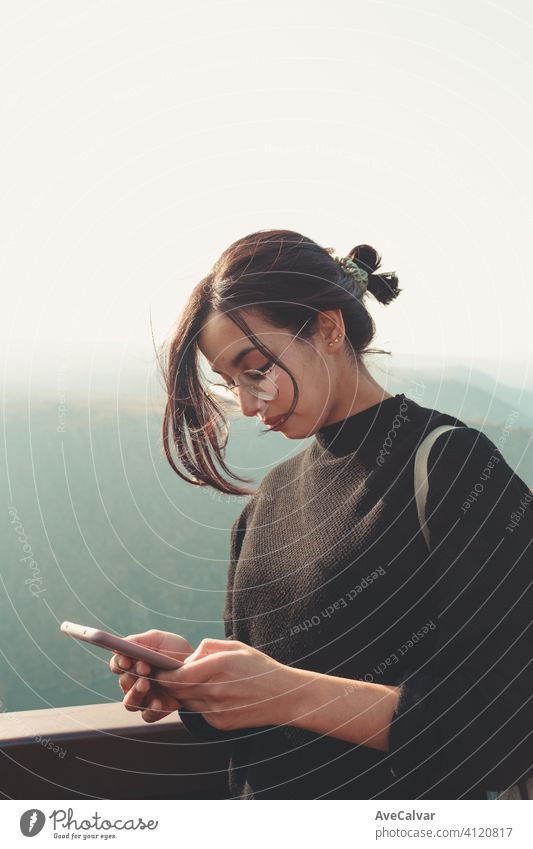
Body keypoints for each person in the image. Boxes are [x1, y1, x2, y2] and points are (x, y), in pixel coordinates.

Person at [110, 229, 533, 800]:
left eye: (256, 367)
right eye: (231, 383)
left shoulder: (451, 466)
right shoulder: (268, 504)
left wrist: (287, 692)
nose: (250, 403)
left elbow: (510, 721)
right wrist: (195, 683)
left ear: (329, 328)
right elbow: (267, 722)